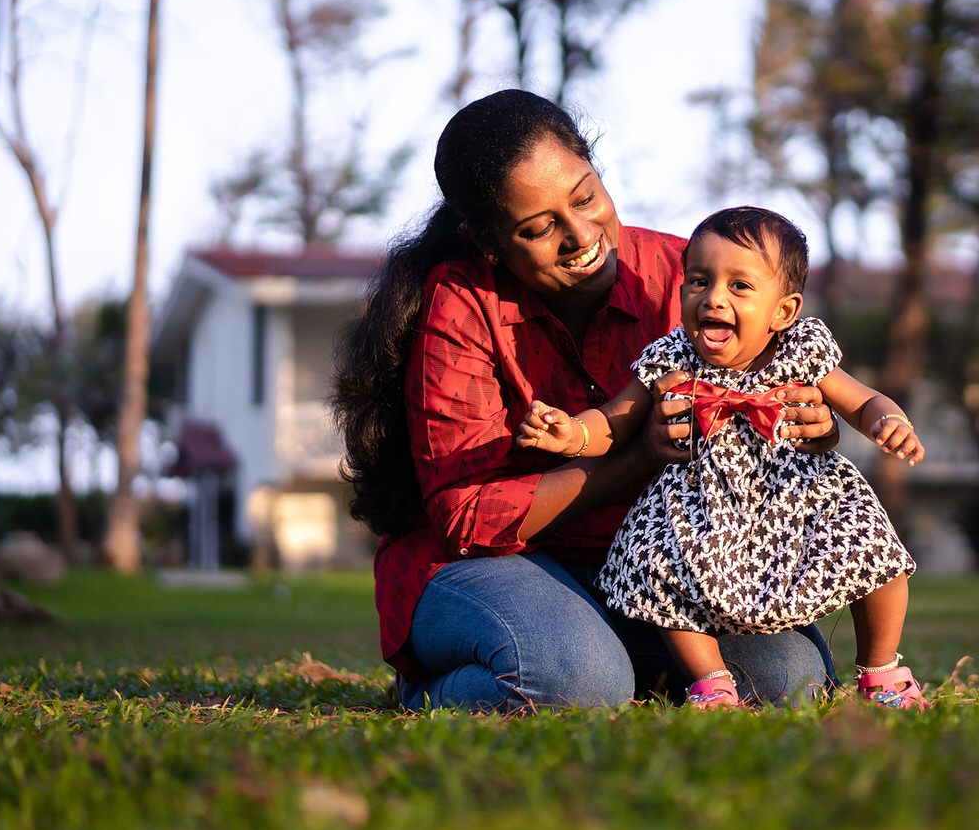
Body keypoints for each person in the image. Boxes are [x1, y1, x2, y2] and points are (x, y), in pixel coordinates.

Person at [331, 90, 842, 712]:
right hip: (486, 565)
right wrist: (635, 458)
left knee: (794, 678)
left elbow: (774, 391)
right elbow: (467, 519)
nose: (579, 236)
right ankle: (432, 691)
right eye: (538, 228)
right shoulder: (461, 303)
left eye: (584, 197)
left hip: (646, 565)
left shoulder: (688, 277)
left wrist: (807, 430)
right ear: (488, 241)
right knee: (576, 680)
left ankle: (625, 668)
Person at [516, 206, 930, 709]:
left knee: (877, 556)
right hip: (700, 506)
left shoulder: (800, 350)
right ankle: (710, 681)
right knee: (661, 569)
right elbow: (614, 420)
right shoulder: (671, 357)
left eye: (739, 286)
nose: (713, 298)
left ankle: (881, 670)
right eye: (698, 281)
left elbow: (862, 399)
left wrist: (889, 421)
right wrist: (573, 433)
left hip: (798, 499)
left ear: (783, 310)